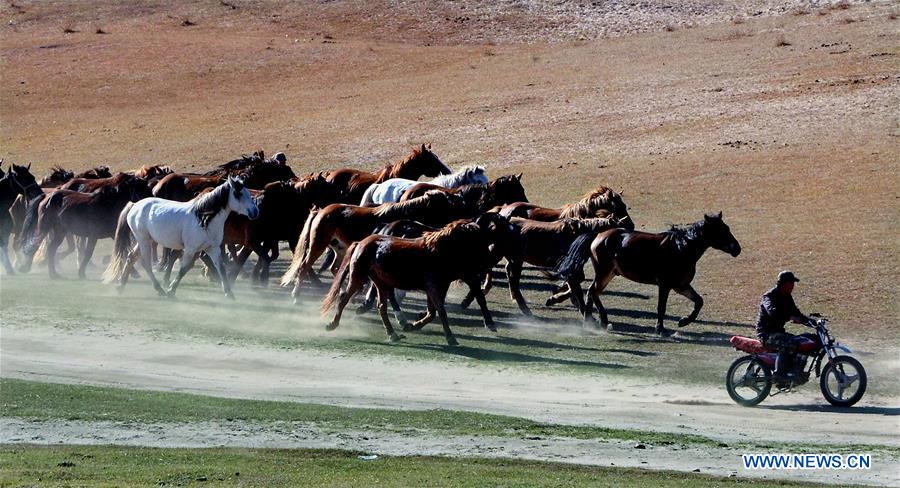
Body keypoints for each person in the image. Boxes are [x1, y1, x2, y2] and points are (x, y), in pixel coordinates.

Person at [755, 271, 813, 382]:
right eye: (791, 283)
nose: (793, 286)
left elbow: (797, 313)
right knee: (789, 343)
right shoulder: (769, 296)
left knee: (801, 341)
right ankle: (779, 374)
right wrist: (790, 316)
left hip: (778, 333)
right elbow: (772, 312)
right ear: (783, 283)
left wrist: (814, 323)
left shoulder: (787, 297)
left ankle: (793, 371)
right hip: (766, 334)